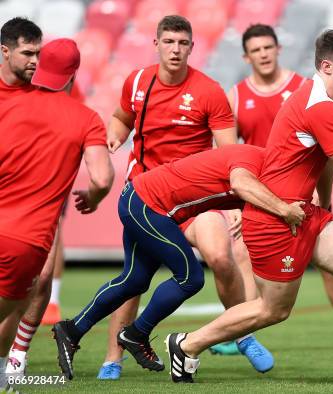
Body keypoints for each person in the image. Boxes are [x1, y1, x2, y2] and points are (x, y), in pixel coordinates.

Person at [165, 29, 333, 387]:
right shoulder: (320, 106)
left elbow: (325, 161)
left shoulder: (328, 101)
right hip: (275, 219)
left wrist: (326, 201)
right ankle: (186, 344)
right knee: (272, 310)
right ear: (327, 66)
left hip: (303, 212)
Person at [96, 15, 272, 379]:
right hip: (146, 197)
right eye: (169, 42)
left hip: (194, 199)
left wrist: (236, 202)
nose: (176, 49)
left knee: (221, 256)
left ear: (192, 47)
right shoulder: (138, 81)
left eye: (183, 43)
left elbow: (229, 153)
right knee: (135, 279)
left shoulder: (209, 91)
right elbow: (120, 118)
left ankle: (243, 333)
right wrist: (114, 136)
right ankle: (112, 359)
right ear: (157, 44)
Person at [52, 144, 305, 380]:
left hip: (143, 200)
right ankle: (136, 334)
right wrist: (284, 210)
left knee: (134, 280)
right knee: (190, 278)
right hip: (146, 205)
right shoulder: (254, 159)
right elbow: (241, 184)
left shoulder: (266, 173)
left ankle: (71, 330)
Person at [226, 23, 333, 354]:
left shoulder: (310, 89)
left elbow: (325, 152)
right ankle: (242, 335)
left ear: (278, 49)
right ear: (247, 57)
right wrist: (236, 202)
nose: (263, 54)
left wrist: (319, 193)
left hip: (301, 192)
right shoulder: (238, 96)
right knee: (243, 262)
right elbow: (231, 153)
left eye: (268, 47)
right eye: (256, 50)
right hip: (261, 195)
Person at [0, 38, 115, 392]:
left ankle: (13, 363)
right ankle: (11, 363)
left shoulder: (11, 101)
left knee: (41, 280)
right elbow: (101, 177)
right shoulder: (85, 118)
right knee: (21, 295)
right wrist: (94, 198)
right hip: (24, 239)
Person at [0, 17, 73, 377]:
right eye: (28, 53)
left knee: (40, 279)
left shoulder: (47, 86)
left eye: (38, 54)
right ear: (5, 51)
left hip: (38, 200)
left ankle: (17, 354)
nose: (34, 61)